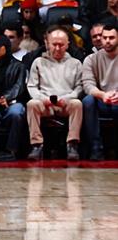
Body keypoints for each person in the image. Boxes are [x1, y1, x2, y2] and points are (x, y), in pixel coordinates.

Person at [26, 27, 83, 161]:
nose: (57, 48)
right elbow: (32, 86)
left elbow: (79, 87)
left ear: (68, 44)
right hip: (45, 104)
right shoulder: (38, 62)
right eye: (54, 44)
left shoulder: (75, 63)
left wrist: (67, 98)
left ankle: (72, 144)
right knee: (31, 104)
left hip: (66, 103)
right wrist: (43, 99)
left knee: (77, 104)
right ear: (47, 44)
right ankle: (37, 145)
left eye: (61, 45)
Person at [82, 24, 118, 161]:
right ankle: (96, 148)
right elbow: (87, 85)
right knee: (87, 101)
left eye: (111, 38)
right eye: (105, 37)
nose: (107, 41)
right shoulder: (91, 59)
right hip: (101, 100)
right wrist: (102, 95)